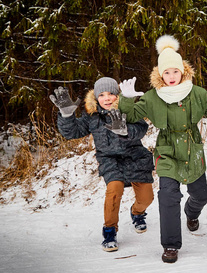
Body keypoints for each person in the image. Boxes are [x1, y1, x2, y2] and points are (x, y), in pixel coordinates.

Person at [118, 34, 207, 263]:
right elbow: (130, 115)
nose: (171, 76)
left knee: (201, 195)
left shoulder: (196, 93)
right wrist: (126, 99)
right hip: (167, 150)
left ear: (183, 71)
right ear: (160, 74)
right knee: (168, 195)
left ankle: (192, 213)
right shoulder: (153, 97)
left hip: (193, 149)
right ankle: (170, 245)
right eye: (166, 72)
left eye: (175, 71)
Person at [50, 77, 155, 252]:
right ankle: (109, 231)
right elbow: (72, 132)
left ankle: (137, 213)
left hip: (135, 157)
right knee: (114, 190)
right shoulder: (92, 116)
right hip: (109, 159)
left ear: (117, 95)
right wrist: (67, 115)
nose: (107, 98)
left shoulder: (128, 109)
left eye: (111, 94)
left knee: (146, 198)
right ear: (96, 98)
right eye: (102, 95)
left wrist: (125, 130)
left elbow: (141, 128)